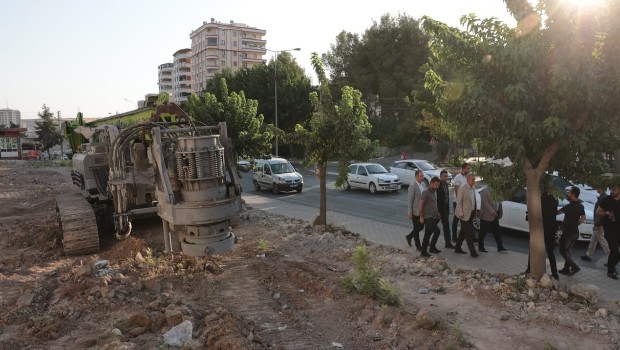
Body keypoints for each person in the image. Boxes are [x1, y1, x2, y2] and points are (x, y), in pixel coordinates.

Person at [526, 185, 559, 280]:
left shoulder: (540, 199)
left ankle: (529, 269)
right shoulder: (555, 199)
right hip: (552, 227)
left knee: (533, 248)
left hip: (541, 227)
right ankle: (555, 273)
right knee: (550, 251)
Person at [557, 186, 586, 276]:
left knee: (562, 250)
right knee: (568, 251)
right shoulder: (580, 206)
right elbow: (583, 217)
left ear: (573, 194)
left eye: (569, 192)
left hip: (568, 233)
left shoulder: (569, 206)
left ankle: (574, 266)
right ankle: (566, 269)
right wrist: (576, 224)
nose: (567, 194)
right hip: (575, 233)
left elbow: (557, 212)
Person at [581, 187, 610, 263]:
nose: (596, 188)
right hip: (599, 223)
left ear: (602, 188)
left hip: (599, 223)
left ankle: (611, 258)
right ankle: (588, 255)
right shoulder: (603, 197)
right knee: (593, 240)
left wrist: (596, 224)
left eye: (598, 187)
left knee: (602, 241)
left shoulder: (603, 198)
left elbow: (600, 213)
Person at [597, 185, 620, 279]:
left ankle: (612, 265)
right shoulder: (606, 199)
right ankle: (610, 271)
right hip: (609, 229)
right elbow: (598, 212)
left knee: (614, 253)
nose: (611, 191)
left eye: (614, 189)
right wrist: (606, 213)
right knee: (614, 250)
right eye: (611, 189)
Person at [454, 173, 479, 257]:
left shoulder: (473, 188)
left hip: (470, 213)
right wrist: (460, 213)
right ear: (468, 180)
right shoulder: (462, 188)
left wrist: (474, 213)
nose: (474, 181)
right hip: (463, 214)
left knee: (463, 233)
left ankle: (457, 247)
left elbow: (473, 200)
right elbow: (458, 201)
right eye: (472, 179)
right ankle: (473, 252)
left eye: (474, 179)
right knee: (468, 233)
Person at [479, 186, 508, 252]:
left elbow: (499, 202)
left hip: (495, 215)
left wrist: (500, 212)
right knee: (483, 232)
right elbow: (485, 203)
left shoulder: (497, 190)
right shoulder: (484, 190)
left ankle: (500, 247)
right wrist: (492, 212)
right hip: (486, 215)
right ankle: (481, 247)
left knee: (497, 232)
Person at [419, 177, 442, 257]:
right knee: (437, 231)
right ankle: (430, 248)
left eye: (438, 185)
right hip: (427, 217)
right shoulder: (426, 192)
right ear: (431, 183)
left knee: (427, 234)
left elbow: (434, 203)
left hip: (433, 216)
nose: (437, 187)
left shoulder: (434, 192)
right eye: (436, 185)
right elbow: (421, 205)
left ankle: (425, 251)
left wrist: (438, 212)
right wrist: (421, 217)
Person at [451, 163, 471, 243]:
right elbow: (457, 191)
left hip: (465, 203)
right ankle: (454, 237)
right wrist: (460, 204)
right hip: (458, 202)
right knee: (456, 220)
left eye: (469, 168)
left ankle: (467, 237)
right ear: (463, 169)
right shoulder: (457, 177)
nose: (469, 170)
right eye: (467, 168)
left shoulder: (468, 177)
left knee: (466, 220)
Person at [406, 170, 425, 250]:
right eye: (421, 176)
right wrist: (410, 212)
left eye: (423, 175)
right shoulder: (412, 186)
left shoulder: (422, 184)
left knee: (420, 227)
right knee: (417, 228)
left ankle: (409, 236)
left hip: (422, 210)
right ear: (416, 176)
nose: (423, 177)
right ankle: (418, 246)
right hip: (415, 211)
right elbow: (410, 200)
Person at [437, 170, 455, 249]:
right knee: (432, 226)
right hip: (439, 210)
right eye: (444, 176)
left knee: (446, 227)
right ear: (440, 177)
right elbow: (437, 199)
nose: (446, 177)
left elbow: (446, 198)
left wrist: (447, 210)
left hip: (445, 210)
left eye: (446, 176)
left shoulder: (446, 185)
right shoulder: (438, 185)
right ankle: (427, 241)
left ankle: (448, 243)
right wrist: (437, 211)